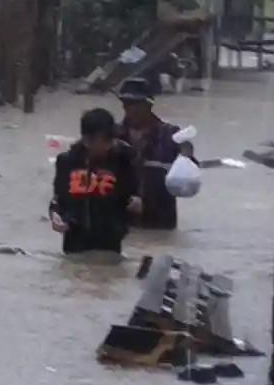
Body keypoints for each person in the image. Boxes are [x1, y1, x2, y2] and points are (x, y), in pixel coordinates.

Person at [49, 108, 142, 254]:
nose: (110, 144)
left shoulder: (123, 160)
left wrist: (137, 202)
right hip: (75, 243)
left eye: (112, 139)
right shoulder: (67, 162)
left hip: (111, 244)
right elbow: (57, 198)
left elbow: (134, 193)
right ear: (87, 140)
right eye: (105, 140)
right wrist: (55, 215)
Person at [115, 77, 195, 230]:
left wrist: (186, 157)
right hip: (122, 220)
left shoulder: (169, 134)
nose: (132, 109)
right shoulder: (112, 135)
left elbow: (186, 149)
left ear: (149, 104)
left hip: (160, 219)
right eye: (127, 104)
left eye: (137, 104)